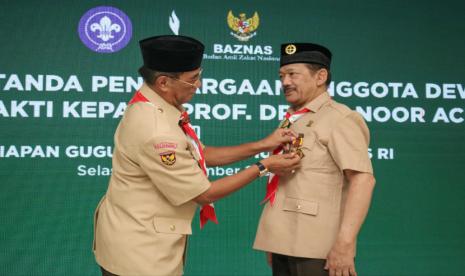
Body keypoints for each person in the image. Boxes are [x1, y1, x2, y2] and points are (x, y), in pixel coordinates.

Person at [92, 35, 301, 276]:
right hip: (140, 252)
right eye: (193, 79)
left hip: (133, 235)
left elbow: (201, 155)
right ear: (163, 82)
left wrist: (263, 144)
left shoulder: (155, 104)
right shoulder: (156, 130)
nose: (199, 85)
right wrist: (264, 167)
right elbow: (204, 193)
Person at [253, 42, 376, 276]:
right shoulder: (292, 120)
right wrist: (277, 237)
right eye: (281, 76)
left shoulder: (341, 118)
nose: (285, 82)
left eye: (292, 74)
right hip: (286, 241)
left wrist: (345, 244)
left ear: (320, 76)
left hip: (319, 247)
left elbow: (363, 180)